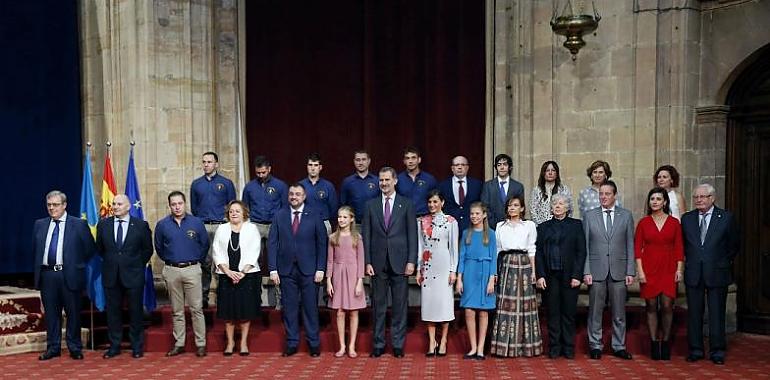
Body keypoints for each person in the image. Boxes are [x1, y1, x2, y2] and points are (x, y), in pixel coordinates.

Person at [33, 190, 96, 360]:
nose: (52, 208)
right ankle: (53, 347)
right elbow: (37, 250)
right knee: (52, 314)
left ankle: (74, 346)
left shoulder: (78, 224)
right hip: (47, 275)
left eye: (55, 205)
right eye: (49, 205)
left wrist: (76, 264)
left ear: (64, 205)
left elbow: (90, 249)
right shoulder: (40, 224)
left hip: (69, 274)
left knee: (73, 313)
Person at [362, 166, 417, 358]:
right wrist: (367, 261)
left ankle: (398, 344)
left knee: (400, 306)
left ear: (395, 181)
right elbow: (366, 235)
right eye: (381, 180)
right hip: (377, 263)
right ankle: (378, 344)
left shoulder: (406, 204)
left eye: (387, 180)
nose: (384, 183)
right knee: (378, 306)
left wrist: (411, 261)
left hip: (401, 262)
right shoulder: (371, 205)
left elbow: (412, 234)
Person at [681, 184, 740, 365]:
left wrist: (721, 261)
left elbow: (734, 245)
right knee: (694, 314)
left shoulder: (726, 218)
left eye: (703, 197)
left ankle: (717, 350)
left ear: (712, 198)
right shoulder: (687, 219)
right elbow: (684, 245)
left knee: (716, 313)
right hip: (694, 273)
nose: (699, 200)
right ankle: (696, 349)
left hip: (717, 272)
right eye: (696, 197)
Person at [268, 183, 328, 357]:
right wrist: (272, 268)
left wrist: (320, 268)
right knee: (290, 308)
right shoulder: (279, 215)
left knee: (310, 308)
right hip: (286, 270)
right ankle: (292, 343)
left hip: (310, 270)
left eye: (298, 194)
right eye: (291, 194)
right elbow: (272, 243)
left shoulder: (315, 214)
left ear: (304, 196)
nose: (294, 196)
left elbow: (322, 243)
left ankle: (314, 343)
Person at [96, 194, 153, 359]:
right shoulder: (103, 225)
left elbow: (147, 250)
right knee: (113, 313)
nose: (115, 206)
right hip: (111, 275)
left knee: (135, 312)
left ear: (128, 207)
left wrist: (136, 265)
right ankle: (114, 346)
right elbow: (100, 249)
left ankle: (136, 346)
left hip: (133, 275)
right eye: (113, 204)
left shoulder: (141, 226)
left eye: (119, 204)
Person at [583, 180, 635, 360]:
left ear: (615, 195)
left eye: (607, 194)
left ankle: (619, 346)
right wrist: (586, 271)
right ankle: (595, 345)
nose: (603, 197)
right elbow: (586, 247)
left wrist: (630, 271)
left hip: (619, 271)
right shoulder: (589, 216)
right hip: (596, 271)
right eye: (601, 194)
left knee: (619, 312)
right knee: (595, 311)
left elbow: (630, 244)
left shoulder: (626, 216)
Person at [154, 191, 210, 357]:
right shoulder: (162, 225)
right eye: (174, 204)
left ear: (185, 204)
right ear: (169, 206)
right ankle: (179, 343)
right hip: (172, 270)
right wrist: (172, 261)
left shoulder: (196, 222)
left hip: (192, 269)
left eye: (180, 203)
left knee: (196, 309)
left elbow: (204, 245)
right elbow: (159, 247)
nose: (177, 207)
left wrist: (193, 260)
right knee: (176, 310)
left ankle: (201, 344)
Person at [634, 187, 684, 360]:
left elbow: (679, 248)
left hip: (669, 268)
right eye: (652, 199)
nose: (655, 201)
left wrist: (679, 270)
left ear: (664, 202)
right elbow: (637, 250)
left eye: (658, 199)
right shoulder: (643, 223)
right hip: (648, 268)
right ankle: (655, 343)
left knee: (667, 306)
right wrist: (640, 272)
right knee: (651, 306)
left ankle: (667, 342)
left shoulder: (674, 223)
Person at [535, 194, 586, 359]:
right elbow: (539, 253)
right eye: (555, 203)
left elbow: (581, 252)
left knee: (568, 312)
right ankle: (555, 347)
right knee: (553, 312)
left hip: (570, 276)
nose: (557, 206)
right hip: (550, 277)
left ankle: (568, 347)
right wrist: (540, 275)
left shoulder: (577, 225)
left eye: (561, 203)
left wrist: (577, 275)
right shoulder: (542, 227)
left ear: (567, 207)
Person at [490, 195, 542, 357]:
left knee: (525, 305)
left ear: (522, 208)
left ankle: (527, 347)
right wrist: (495, 272)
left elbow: (532, 249)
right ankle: (505, 347)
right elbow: (497, 250)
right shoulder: (500, 226)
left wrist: (533, 272)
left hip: (524, 264)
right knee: (506, 304)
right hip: (506, 264)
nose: (512, 208)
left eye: (516, 205)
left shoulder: (529, 225)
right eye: (510, 206)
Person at [212, 200, 262, 356]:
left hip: (247, 275)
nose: (234, 213)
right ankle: (230, 342)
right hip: (226, 275)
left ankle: (244, 342)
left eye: (237, 211)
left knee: (245, 310)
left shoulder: (251, 228)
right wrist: (227, 271)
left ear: (244, 213)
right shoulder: (222, 228)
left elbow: (255, 251)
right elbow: (216, 251)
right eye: (231, 211)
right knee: (228, 312)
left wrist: (242, 272)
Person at [190, 151, 237, 309]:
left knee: (222, 262)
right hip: (203, 226)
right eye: (204, 162)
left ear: (216, 164)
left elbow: (233, 206)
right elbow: (194, 207)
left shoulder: (226, 183)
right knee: (204, 263)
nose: (206, 164)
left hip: (221, 226)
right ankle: (203, 297)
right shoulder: (196, 184)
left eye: (209, 162)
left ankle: (223, 296)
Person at [416, 190, 458, 357]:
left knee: (444, 305)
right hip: (428, 266)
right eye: (430, 202)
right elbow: (420, 246)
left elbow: (454, 248)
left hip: (444, 264)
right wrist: (420, 269)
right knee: (429, 305)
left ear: (442, 202)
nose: (432, 205)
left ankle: (444, 340)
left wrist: (453, 270)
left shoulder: (451, 222)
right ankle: (432, 342)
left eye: (435, 202)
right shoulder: (422, 221)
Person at [456, 202, 497, 360]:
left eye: (477, 214)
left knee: (483, 312)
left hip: (486, 273)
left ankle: (481, 348)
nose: (474, 216)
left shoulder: (491, 234)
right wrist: (459, 279)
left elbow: (493, 257)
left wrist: (492, 279)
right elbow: (461, 257)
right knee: (468, 310)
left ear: (484, 215)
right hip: (469, 273)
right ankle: (472, 347)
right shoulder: (466, 233)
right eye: (472, 214)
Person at [326, 206, 366, 358]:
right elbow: (329, 261)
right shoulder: (333, 238)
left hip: (353, 275)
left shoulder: (357, 238)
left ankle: (351, 346)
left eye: (344, 217)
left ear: (351, 219)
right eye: (339, 217)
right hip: (337, 276)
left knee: (354, 312)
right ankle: (342, 345)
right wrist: (328, 281)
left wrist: (359, 281)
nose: (341, 220)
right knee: (340, 312)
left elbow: (361, 260)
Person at [242, 155, 288, 272]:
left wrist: (281, 225)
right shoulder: (249, 187)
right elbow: (245, 207)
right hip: (256, 225)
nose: (261, 175)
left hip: (274, 225)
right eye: (258, 173)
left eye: (263, 172)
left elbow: (285, 208)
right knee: (255, 257)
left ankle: (277, 287)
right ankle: (257, 286)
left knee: (276, 255)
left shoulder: (280, 186)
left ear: (269, 169)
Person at [437, 155, 482, 233]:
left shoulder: (477, 184)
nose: (460, 167)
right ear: (452, 168)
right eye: (457, 165)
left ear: (467, 168)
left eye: (463, 165)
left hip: (471, 228)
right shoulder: (443, 185)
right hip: (449, 228)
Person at [480, 153, 525, 228]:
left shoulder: (518, 186)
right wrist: (495, 225)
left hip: (513, 227)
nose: (502, 167)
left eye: (505, 164)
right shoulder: (488, 186)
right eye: (499, 165)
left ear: (510, 167)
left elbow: (520, 207)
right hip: (492, 227)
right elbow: (485, 207)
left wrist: (511, 223)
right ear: (496, 167)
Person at [299, 152, 338, 234]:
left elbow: (333, 210)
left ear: (320, 167)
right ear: (307, 166)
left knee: (324, 246)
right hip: (305, 223)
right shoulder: (300, 186)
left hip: (324, 223)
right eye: (310, 165)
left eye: (316, 165)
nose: (313, 168)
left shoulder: (328, 186)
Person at [339, 150, 380, 224]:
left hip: (374, 224)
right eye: (358, 160)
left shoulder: (377, 181)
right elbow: (343, 206)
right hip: (354, 225)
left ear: (369, 161)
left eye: (364, 159)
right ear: (354, 161)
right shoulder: (347, 182)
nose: (361, 163)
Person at [396, 146, 437, 217]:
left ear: (419, 160)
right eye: (407, 158)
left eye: (413, 157)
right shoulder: (397, 179)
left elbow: (436, 200)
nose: (410, 161)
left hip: (425, 219)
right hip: (404, 219)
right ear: (404, 161)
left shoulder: (429, 179)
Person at [529, 161, 572, 225]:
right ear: (543, 173)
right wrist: (542, 226)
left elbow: (569, 209)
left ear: (557, 173)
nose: (550, 173)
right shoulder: (537, 190)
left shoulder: (564, 189)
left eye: (553, 170)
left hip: (562, 226)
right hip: (541, 227)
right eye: (547, 170)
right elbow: (533, 211)